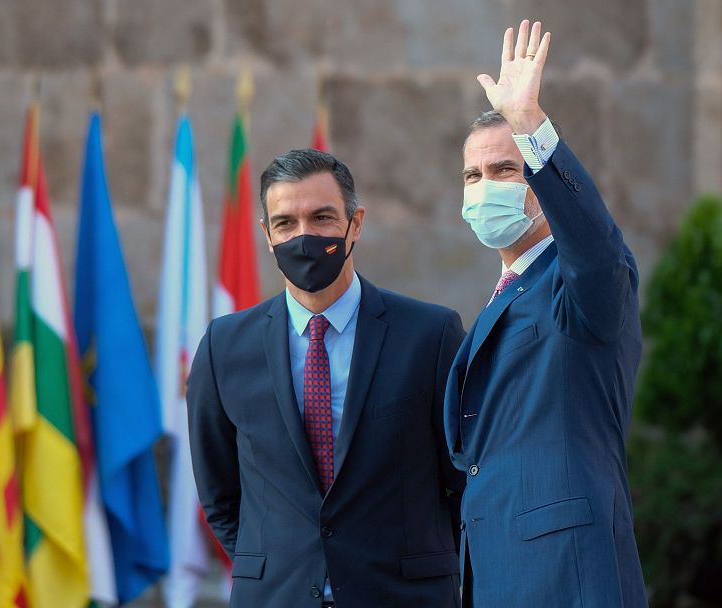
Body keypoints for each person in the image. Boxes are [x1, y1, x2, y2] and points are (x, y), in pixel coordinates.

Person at [188, 149, 466, 608]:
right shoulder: (224, 346)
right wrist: (286, 564)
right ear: (267, 234)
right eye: (285, 223)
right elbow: (219, 494)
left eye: (321, 218)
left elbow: (461, 477)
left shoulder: (429, 336)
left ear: (354, 224)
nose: (304, 237)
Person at [444, 19, 648, 607]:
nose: (485, 187)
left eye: (506, 170)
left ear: (539, 184)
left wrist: (530, 124)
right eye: (472, 175)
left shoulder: (578, 276)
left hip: (566, 577)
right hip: (494, 577)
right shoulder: (502, 295)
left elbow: (595, 247)